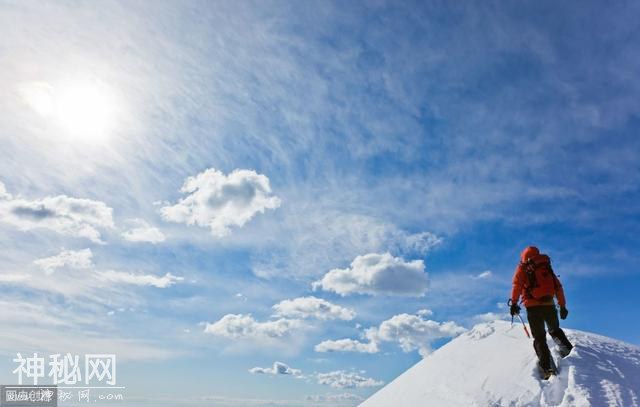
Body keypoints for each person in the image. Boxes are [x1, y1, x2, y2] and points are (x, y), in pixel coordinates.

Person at [509, 246, 574, 377]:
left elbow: (517, 285)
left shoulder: (523, 267)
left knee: (539, 337)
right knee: (554, 329)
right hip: (549, 305)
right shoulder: (546, 266)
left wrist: (514, 303)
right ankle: (569, 353)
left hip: (532, 307)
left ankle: (547, 368)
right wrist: (562, 306)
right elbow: (558, 287)